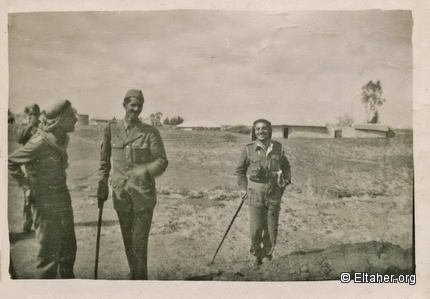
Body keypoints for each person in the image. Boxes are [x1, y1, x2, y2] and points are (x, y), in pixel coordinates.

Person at [97, 89, 168, 280]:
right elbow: (104, 159)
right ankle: (134, 274)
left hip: (143, 195)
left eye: (139, 106)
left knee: (138, 241)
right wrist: (103, 182)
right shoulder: (111, 129)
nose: (136, 109)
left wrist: (143, 170)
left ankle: (140, 280)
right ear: (124, 105)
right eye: (132, 105)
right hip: (121, 194)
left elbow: (161, 161)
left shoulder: (150, 133)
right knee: (128, 240)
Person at [8, 100, 78, 279]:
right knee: (48, 253)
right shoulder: (40, 142)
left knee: (69, 249)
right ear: (60, 120)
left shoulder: (63, 138)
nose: (76, 120)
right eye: (71, 116)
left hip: (62, 197)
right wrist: (26, 185)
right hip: (44, 201)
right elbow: (11, 161)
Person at [236, 119, 291, 266]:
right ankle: (255, 253)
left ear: (269, 130)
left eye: (264, 129)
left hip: (274, 191)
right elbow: (240, 170)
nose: (261, 131)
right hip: (255, 190)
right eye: (258, 129)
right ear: (254, 132)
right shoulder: (249, 149)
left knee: (270, 225)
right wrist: (243, 188)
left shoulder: (278, 148)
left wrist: (284, 182)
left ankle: (267, 253)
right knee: (256, 226)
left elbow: (286, 166)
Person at [15, 104, 41, 232]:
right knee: (28, 196)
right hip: (28, 166)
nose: (33, 116)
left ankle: (38, 223)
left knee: (40, 196)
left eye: (35, 114)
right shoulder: (27, 127)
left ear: (39, 114)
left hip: (41, 167)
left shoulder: (42, 126)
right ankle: (27, 224)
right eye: (30, 114)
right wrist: (31, 125)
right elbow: (19, 139)